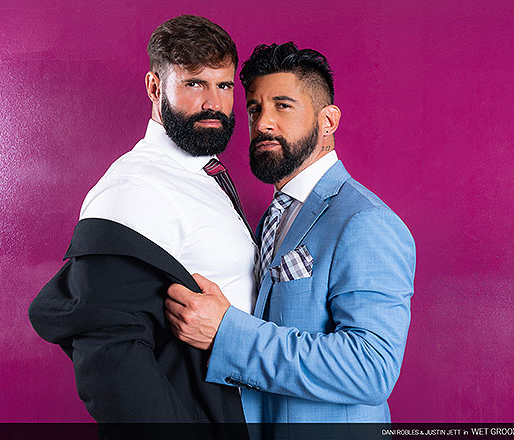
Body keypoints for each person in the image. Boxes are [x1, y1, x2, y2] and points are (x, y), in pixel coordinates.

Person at [165, 42, 416, 431]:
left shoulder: (365, 221)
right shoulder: (273, 218)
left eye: (283, 106)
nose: (263, 122)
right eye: (254, 109)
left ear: (328, 122)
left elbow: (372, 368)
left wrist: (226, 332)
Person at [28, 15, 255, 436]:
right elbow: (110, 362)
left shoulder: (201, 176)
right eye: (194, 83)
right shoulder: (135, 188)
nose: (213, 102)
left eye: (223, 85)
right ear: (155, 87)